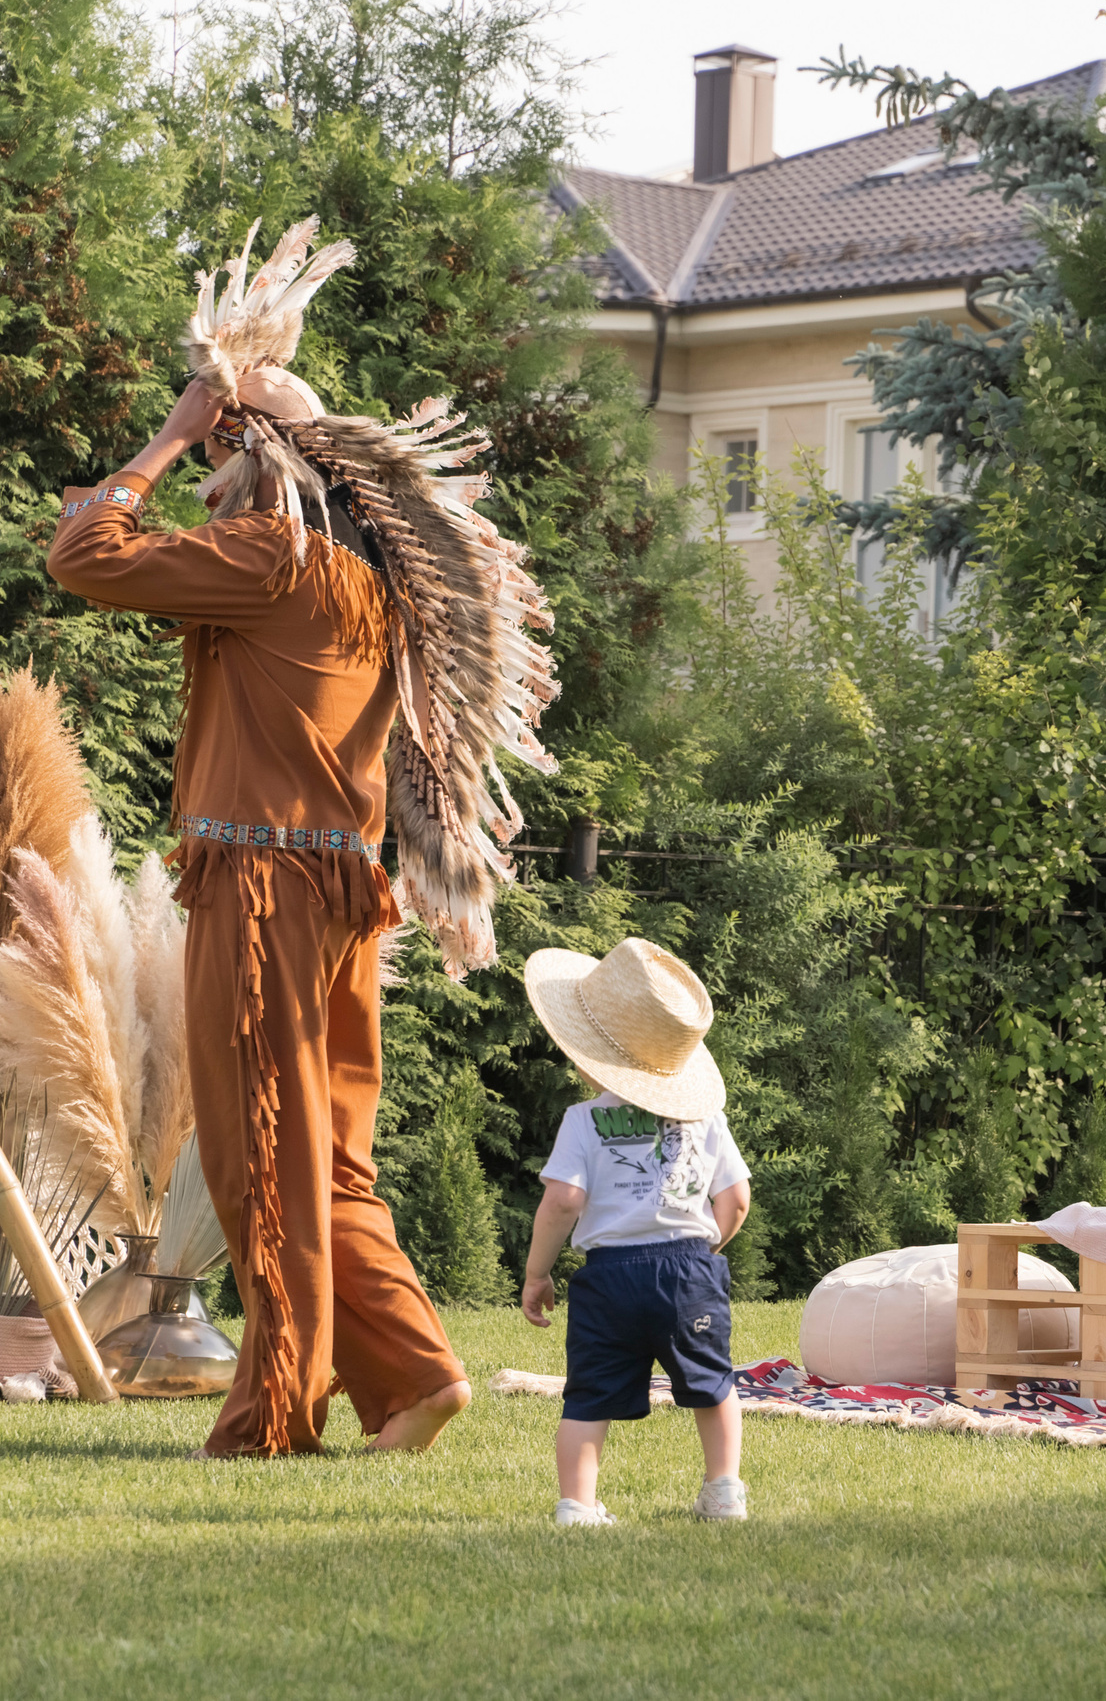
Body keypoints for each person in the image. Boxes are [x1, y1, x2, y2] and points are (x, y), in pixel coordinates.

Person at [41, 217, 555, 1456]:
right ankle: (418, 1373)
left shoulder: (275, 556)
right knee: (325, 1153)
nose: (205, 467)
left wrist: (160, 440)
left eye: (222, 444)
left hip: (263, 887)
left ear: (258, 456)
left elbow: (82, 553)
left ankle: (278, 1411)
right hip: (334, 893)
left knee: (257, 1141)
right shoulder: (361, 582)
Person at [520, 937, 753, 1526]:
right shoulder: (705, 1118)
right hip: (689, 1270)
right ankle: (723, 1492)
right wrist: (704, 1249)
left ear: (590, 1056)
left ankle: (577, 1504)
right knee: (713, 1384)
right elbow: (738, 1199)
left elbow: (564, 1199)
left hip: (609, 1280)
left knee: (589, 1394)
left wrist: (538, 1272)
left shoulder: (582, 1120)